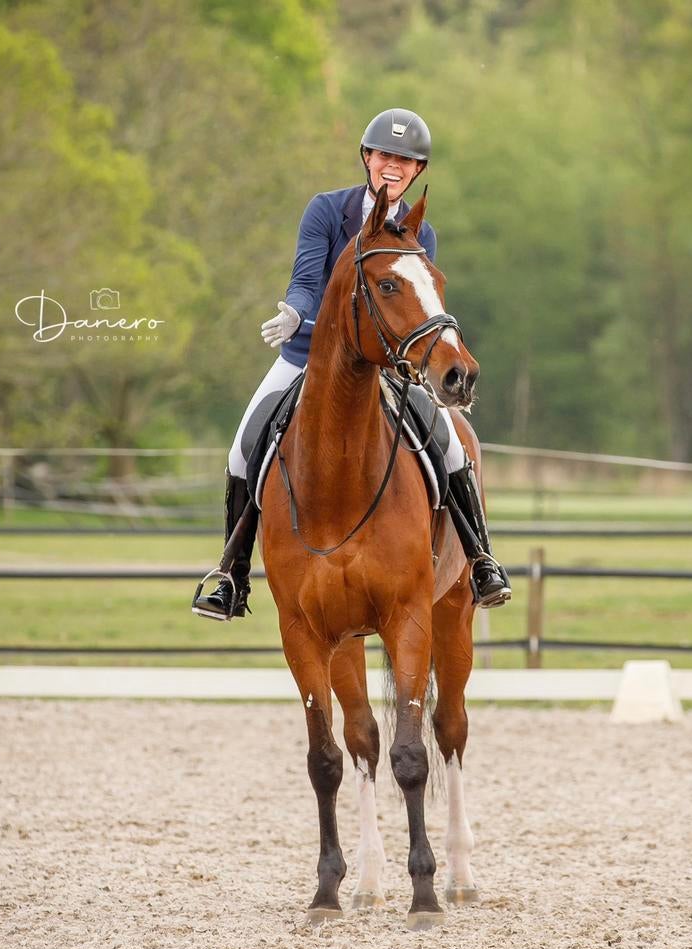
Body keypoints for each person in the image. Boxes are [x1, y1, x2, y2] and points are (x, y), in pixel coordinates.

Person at [194, 108, 511, 621]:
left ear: (417, 171)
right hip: (308, 358)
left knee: (452, 447)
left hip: (384, 370)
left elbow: (417, 310)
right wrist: (296, 312)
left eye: (405, 161)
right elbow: (305, 276)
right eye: (385, 155)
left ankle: (480, 560)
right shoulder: (326, 210)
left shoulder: (419, 233)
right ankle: (231, 574)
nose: (393, 166)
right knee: (241, 451)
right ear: (367, 157)